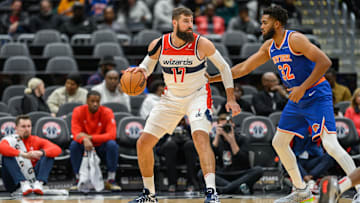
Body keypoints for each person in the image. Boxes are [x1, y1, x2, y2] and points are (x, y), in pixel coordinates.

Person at [208, 5, 359, 203]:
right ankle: (302, 191)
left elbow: (325, 62)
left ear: (277, 24)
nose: (261, 26)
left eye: (264, 22)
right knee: (278, 142)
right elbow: (244, 68)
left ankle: (357, 189)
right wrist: (212, 79)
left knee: (330, 144)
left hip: (315, 94)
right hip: (297, 98)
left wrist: (303, 87)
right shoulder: (269, 46)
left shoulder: (294, 39)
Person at [127, 7, 240, 203]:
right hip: (171, 99)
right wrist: (141, 72)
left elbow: (224, 68)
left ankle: (211, 192)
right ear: (174, 23)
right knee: (143, 143)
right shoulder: (160, 44)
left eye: (192, 21)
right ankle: (149, 194)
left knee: (200, 137)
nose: (190, 26)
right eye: (186, 21)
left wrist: (230, 98)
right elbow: (147, 65)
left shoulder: (201, 43)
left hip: (198, 97)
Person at [70, 90, 121, 191]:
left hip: (101, 146)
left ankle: (111, 179)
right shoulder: (78, 111)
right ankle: (78, 179)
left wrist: (90, 137)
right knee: (74, 145)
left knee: (112, 144)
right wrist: (84, 139)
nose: (95, 104)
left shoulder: (107, 112)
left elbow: (112, 135)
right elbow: (75, 133)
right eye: (92, 101)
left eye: (97, 101)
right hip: (85, 146)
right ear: (87, 101)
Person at [0, 115, 61, 195]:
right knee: (6, 156)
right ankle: (23, 183)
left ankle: (39, 183)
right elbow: (1, 147)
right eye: (23, 126)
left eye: (29, 126)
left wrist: (41, 152)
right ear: (16, 128)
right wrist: (23, 155)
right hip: (14, 181)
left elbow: (57, 149)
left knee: (48, 154)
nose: (27, 129)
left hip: (33, 179)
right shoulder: (10, 140)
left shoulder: (36, 140)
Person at [209, 114, 263, 194]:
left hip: (241, 174)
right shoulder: (216, 141)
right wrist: (217, 136)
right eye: (222, 127)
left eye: (227, 126)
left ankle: (226, 189)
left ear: (233, 125)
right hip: (224, 174)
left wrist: (232, 141)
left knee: (258, 170)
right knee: (202, 173)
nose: (225, 129)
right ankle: (237, 189)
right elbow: (210, 158)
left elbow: (243, 159)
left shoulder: (242, 138)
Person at [156, 117, 199, 192]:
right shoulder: (165, 129)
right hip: (170, 156)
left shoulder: (190, 129)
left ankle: (191, 183)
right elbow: (158, 149)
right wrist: (170, 139)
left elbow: (199, 146)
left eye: (182, 120)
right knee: (171, 145)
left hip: (187, 156)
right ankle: (172, 184)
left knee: (190, 144)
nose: (179, 122)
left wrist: (186, 138)